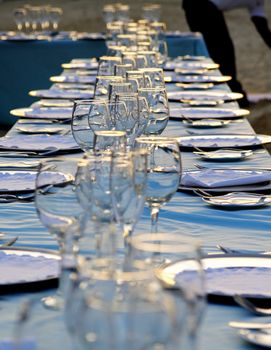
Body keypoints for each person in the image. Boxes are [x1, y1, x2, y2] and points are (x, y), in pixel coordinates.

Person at [182, 0, 271, 108]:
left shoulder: (258, 2)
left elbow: (261, 25)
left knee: (224, 52)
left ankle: (233, 94)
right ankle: (232, 95)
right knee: (222, 51)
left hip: (210, 8)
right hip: (198, 4)